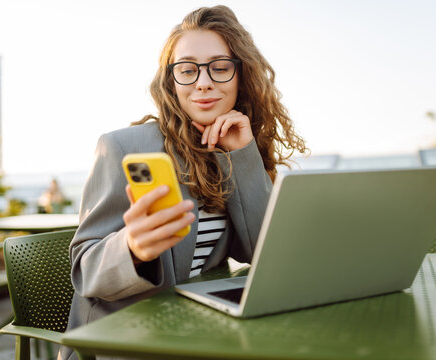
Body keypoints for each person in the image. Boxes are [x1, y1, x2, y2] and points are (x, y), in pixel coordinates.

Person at [59, 5, 306, 359]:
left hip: (197, 332)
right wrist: (132, 249)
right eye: (187, 70)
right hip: (120, 340)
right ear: (171, 81)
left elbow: (262, 253)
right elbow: (86, 272)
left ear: (242, 76)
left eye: (219, 68)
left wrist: (244, 155)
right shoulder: (124, 147)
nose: (203, 82)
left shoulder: (236, 149)